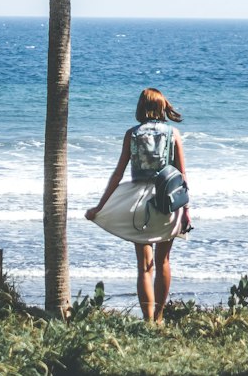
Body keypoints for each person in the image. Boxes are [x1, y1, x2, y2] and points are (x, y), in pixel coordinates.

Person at [85, 87, 191, 321]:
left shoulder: (132, 134)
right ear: (162, 107)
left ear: (141, 107)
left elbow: (117, 175)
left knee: (144, 267)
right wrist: (186, 212)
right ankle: (159, 318)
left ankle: (147, 320)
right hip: (167, 202)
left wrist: (100, 208)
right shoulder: (173, 134)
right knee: (163, 261)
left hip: (139, 204)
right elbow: (182, 176)